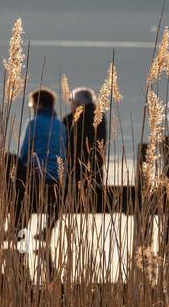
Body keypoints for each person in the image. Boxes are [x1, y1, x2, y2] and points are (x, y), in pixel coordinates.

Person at [12, 87, 67, 242]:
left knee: (14, 168)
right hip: (58, 178)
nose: (33, 108)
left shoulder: (33, 123)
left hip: (37, 178)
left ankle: (18, 229)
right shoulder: (61, 126)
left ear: (39, 105)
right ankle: (42, 231)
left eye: (32, 104)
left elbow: (24, 154)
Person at [63, 87, 106, 202]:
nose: (70, 105)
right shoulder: (100, 117)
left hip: (73, 176)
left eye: (71, 101)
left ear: (78, 103)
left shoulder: (69, 120)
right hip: (96, 176)